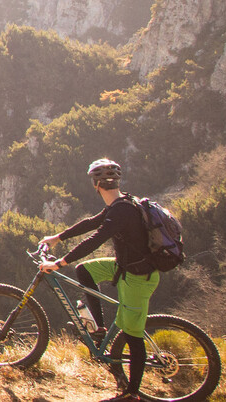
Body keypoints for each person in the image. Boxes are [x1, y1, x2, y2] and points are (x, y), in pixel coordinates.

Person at [38, 158, 158, 402]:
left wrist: (59, 263)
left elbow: (96, 238)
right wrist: (58, 237)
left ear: (96, 185)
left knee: (133, 335)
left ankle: (132, 394)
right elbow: (92, 222)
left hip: (138, 276)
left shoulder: (122, 209)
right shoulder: (122, 203)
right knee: (85, 271)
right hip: (125, 266)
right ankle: (100, 329)